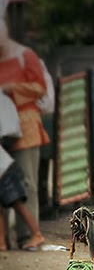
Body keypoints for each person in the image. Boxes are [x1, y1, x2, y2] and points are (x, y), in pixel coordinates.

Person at [0, 17, 49, 248]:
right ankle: (6, 239)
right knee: (4, 183)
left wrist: (12, 89)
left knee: (26, 182)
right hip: (2, 129)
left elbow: (40, 88)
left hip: (26, 127)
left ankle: (28, 236)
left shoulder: (24, 55)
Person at [0, 144, 45, 251]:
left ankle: (36, 235)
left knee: (18, 205)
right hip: (7, 170)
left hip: (5, 173)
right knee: (18, 205)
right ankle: (2, 243)